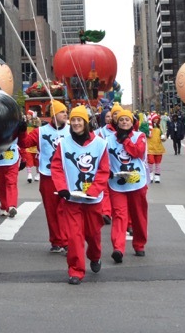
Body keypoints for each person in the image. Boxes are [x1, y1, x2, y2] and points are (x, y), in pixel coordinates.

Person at [51, 105, 111, 285]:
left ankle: (95, 255)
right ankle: (76, 270)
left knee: (93, 234)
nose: (76, 123)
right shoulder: (63, 143)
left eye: (80, 120)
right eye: (74, 120)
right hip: (72, 199)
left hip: (93, 200)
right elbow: (56, 167)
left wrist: (93, 190)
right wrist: (61, 187)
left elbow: (104, 170)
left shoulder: (100, 144)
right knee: (74, 235)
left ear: (86, 123)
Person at [20, 100, 69, 252]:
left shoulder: (71, 130)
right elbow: (25, 143)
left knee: (66, 209)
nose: (65, 114)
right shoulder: (40, 131)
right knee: (51, 210)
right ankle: (56, 241)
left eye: (66, 112)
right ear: (54, 114)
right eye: (62, 112)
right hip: (48, 176)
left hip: (68, 176)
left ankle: (66, 240)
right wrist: (21, 130)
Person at [105, 106, 148, 262]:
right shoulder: (108, 139)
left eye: (127, 119)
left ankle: (139, 244)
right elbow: (102, 157)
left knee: (138, 215)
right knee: (119, 215)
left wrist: (126, 140)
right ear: (117, 122)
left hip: (137, 181)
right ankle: (118, 248)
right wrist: (106, 170)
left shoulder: (139, 136)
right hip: (117, 182)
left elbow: (138, 152)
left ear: (132, 122)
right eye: (121, 119)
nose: (124, 122)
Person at [0, 114, 23, 218]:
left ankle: (11, 206)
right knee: (1, 185)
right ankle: (4, 206)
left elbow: (23, 141)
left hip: (12, 157)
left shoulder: (15, 125)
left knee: (11, 182)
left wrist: (25, 157)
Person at [145, 113, 165, 183]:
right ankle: (150, 175)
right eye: (155, 118)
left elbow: (163, 136)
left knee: (158, 163)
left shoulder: (159, 127)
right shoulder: (148, 127)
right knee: (150, 162)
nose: (157, 119)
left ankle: (157, 177)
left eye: (157, 118)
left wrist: (163, 138)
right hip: (150, 148)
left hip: (158, 148)